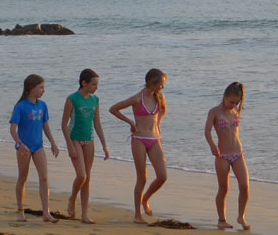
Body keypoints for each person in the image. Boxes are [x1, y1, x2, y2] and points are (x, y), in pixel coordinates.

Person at [109, 68, 169, 223]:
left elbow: (163, 110)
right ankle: (137, 215)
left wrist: (158, 123)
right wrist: (130, 122)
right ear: (152, 82)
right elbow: (113, 109)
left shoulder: (159, 97)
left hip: (155, 139)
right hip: (139, 139)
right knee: (142, 177)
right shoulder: (137, 98)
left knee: (162, 176)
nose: (162, 87)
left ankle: (145, 199)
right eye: (160, 84)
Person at [9, 74, 60, 223]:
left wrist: (53, 143)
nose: (43, 90)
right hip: (24, 148)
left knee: (44, 178)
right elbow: (13, 129)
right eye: (41, 87)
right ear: (31, 89)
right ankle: (20, 211)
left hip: (38, 146)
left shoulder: (42, 105)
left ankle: (46, 212)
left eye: (43, 87)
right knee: (23, 178)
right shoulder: (20, 106)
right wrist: (19, 144)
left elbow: (45, 125)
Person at [61, 68, 109, 223]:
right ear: (84, 82)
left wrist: (104, 145)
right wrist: (69, 145)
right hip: (75, 138)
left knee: (87, 178)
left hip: (89, 140)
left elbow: (97, 123)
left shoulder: (95, 100)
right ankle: (72, 198)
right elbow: (64, 124)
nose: (96, 87)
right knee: (81, 175)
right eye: (94, 84)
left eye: (97, 84)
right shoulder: (72, 99)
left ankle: (84, 214)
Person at [204, 81, 251, 230]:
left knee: (244, 186)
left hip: (237, 153)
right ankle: (222, 219)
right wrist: (212, 145)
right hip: (222, 154)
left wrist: (235, 107)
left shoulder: (235, 111)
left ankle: (241, 217)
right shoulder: (214, 112)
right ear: (224, 96)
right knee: (223, 188)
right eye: (231, 102)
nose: (233, 105)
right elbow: (207, 132)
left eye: (236, 103)